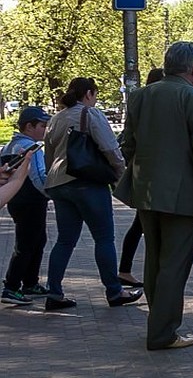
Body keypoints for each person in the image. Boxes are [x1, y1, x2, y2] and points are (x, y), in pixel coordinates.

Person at [121, 42, 193, 350]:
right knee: (174, 264)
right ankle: (163, 332)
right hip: (183, 197)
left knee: (154, 260)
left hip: (145, 191)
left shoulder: (140, 96)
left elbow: (128, 144)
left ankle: (158, 322)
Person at [43, 78, 143, 311]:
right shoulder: (90, 114)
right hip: (87, 183)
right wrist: (121, 173)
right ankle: (114, 291)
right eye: (95, 94)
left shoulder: (55, 119)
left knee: (65, 240)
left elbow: (49, 155)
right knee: (104, 238)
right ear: (88, 94)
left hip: (59, 184)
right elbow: (110, 148)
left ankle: (54, 293)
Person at [116, 67, 165, 286]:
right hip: (156, 178)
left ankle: (125, 269)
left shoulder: (139, 102)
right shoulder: (155, 105)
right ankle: (127, 269)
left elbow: (128, 141)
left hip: (142, 175)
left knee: (140, 223)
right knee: (143, 225)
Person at [0, 135, 42, 306]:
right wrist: (26, 163)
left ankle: (27, 283)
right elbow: (15, 182)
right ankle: (12, 287)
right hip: (29, 202)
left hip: (21, 202)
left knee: (34, 241)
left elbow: (14, 182)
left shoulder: (8, 146)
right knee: (26, 244)